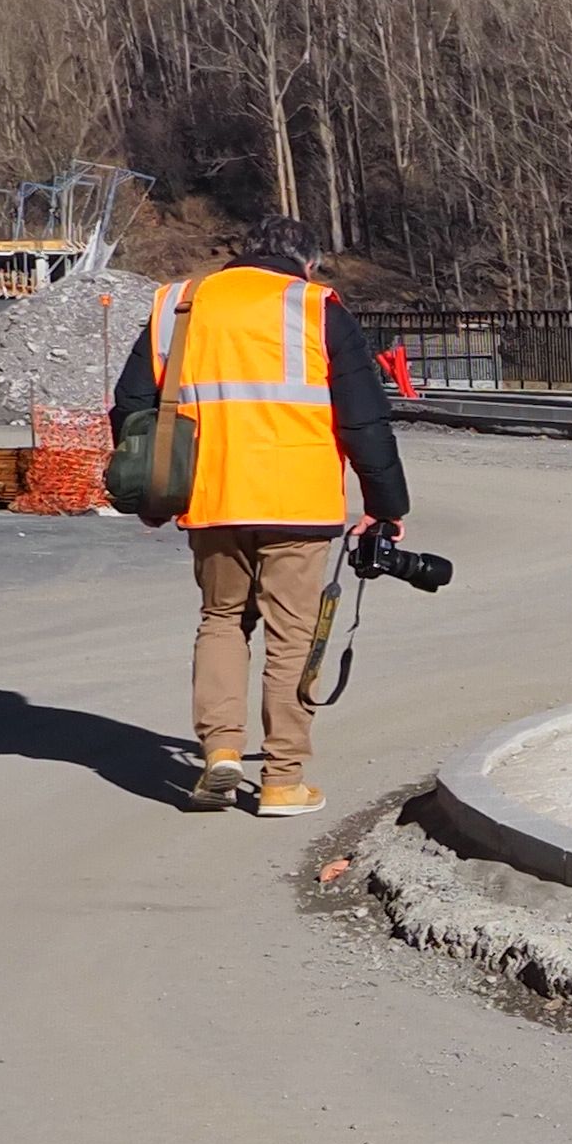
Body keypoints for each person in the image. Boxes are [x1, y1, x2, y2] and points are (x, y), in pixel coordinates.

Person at [104, 214, 411, 815]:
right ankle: (281, 778)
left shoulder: (178, 304)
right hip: (298, 500)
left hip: (209, 497)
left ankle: (219, 752)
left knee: (220, 620)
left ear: (246, 253)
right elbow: (364, 419)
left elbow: (132, 405)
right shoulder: (316, 306)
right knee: (292, 635)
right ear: (308, 262)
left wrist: (151, 488)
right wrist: (386, 507)